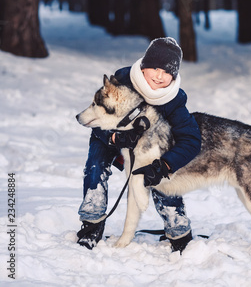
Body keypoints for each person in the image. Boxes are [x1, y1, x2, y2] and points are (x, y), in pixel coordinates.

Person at [77, 37, 201, 252]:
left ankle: (177, 230)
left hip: (150, 146)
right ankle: (92, 224)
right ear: (144, 66)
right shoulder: (122, 80)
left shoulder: (173, 99)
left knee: (160, 168)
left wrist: (165, 166)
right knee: (96, 163)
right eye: (154, 68)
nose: (160, 76)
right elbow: (97, 116)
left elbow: (191, 140)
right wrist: (114, 138)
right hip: (110, 139)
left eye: (168, 71)